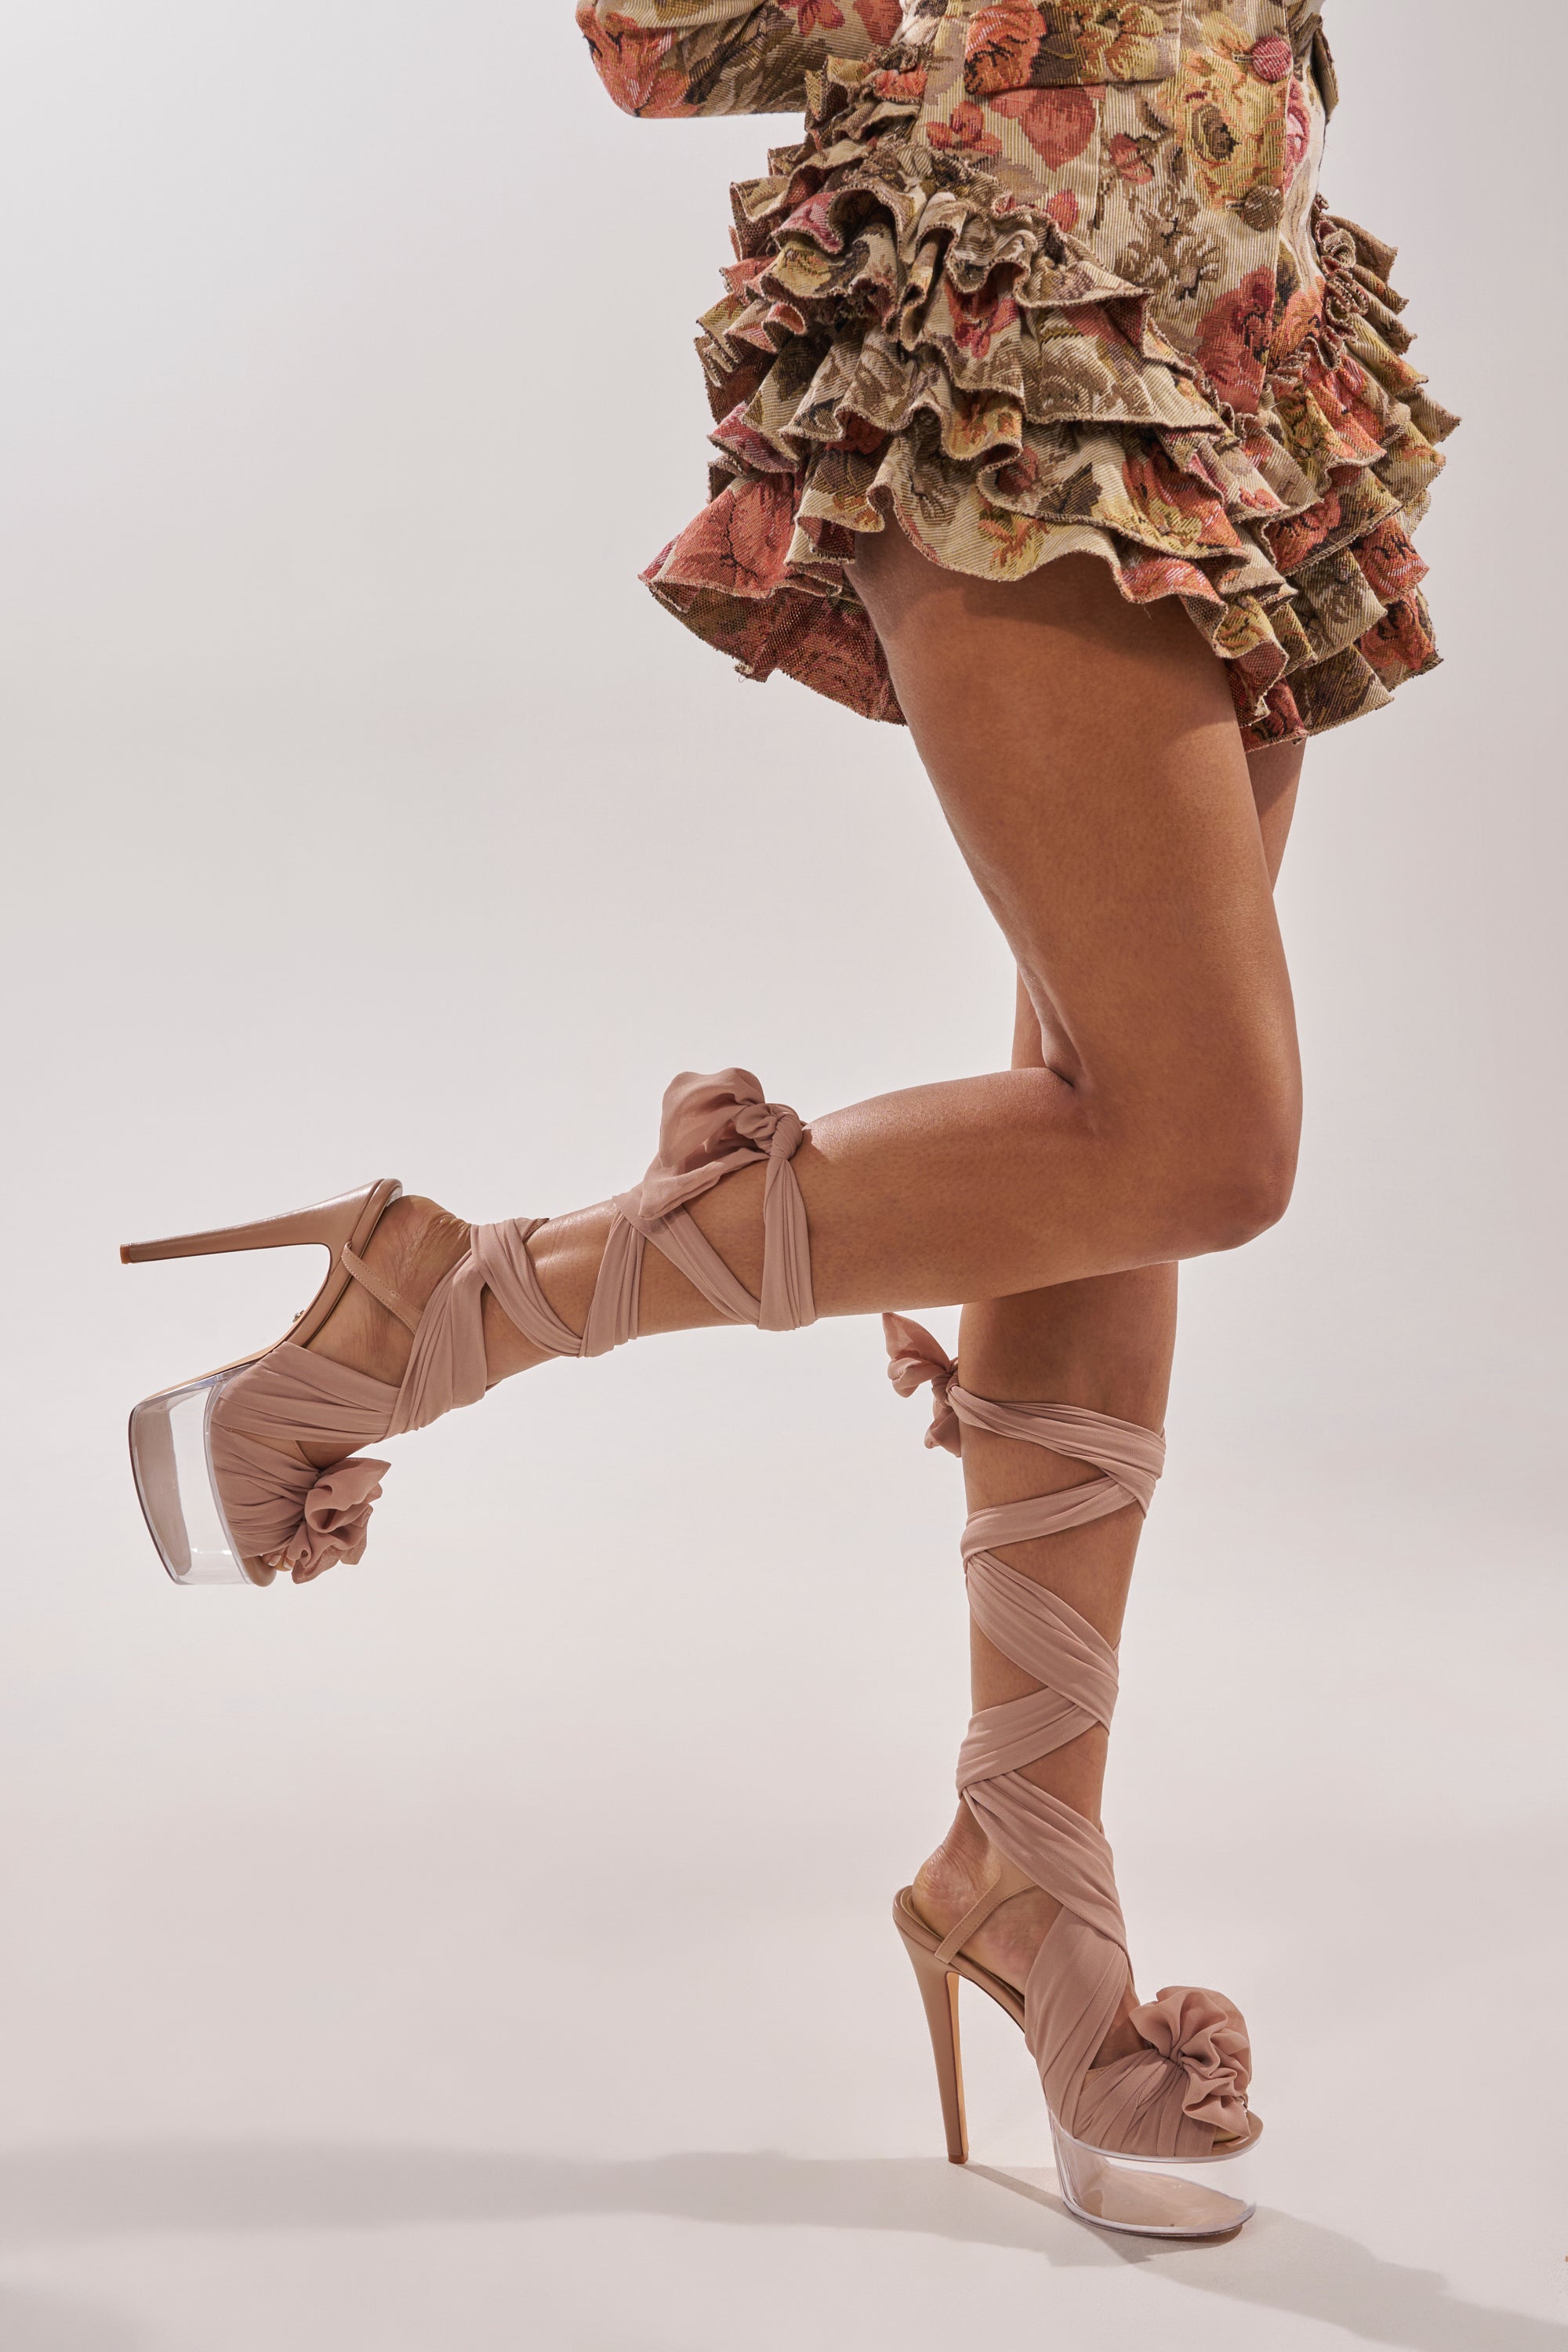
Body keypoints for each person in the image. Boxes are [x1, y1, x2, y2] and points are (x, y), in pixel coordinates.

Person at [120, 0, 1454, 2238]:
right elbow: (653, 38)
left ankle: (1027, 1874)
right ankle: (447, 1306)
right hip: (1020, 327)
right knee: (1203, 1137)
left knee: (1102, 1138)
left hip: (1235, 314)